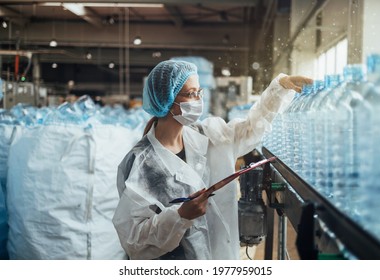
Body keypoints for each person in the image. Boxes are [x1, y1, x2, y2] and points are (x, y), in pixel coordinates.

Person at [112, 60, 312, 260]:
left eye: (200, 92)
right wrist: (180, 216)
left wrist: (280, 88)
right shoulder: (143, 163)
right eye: (191, 94)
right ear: (167, 99)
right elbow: (134, 241)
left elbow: (251, 129)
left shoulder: (209, 135)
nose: (198, 100)